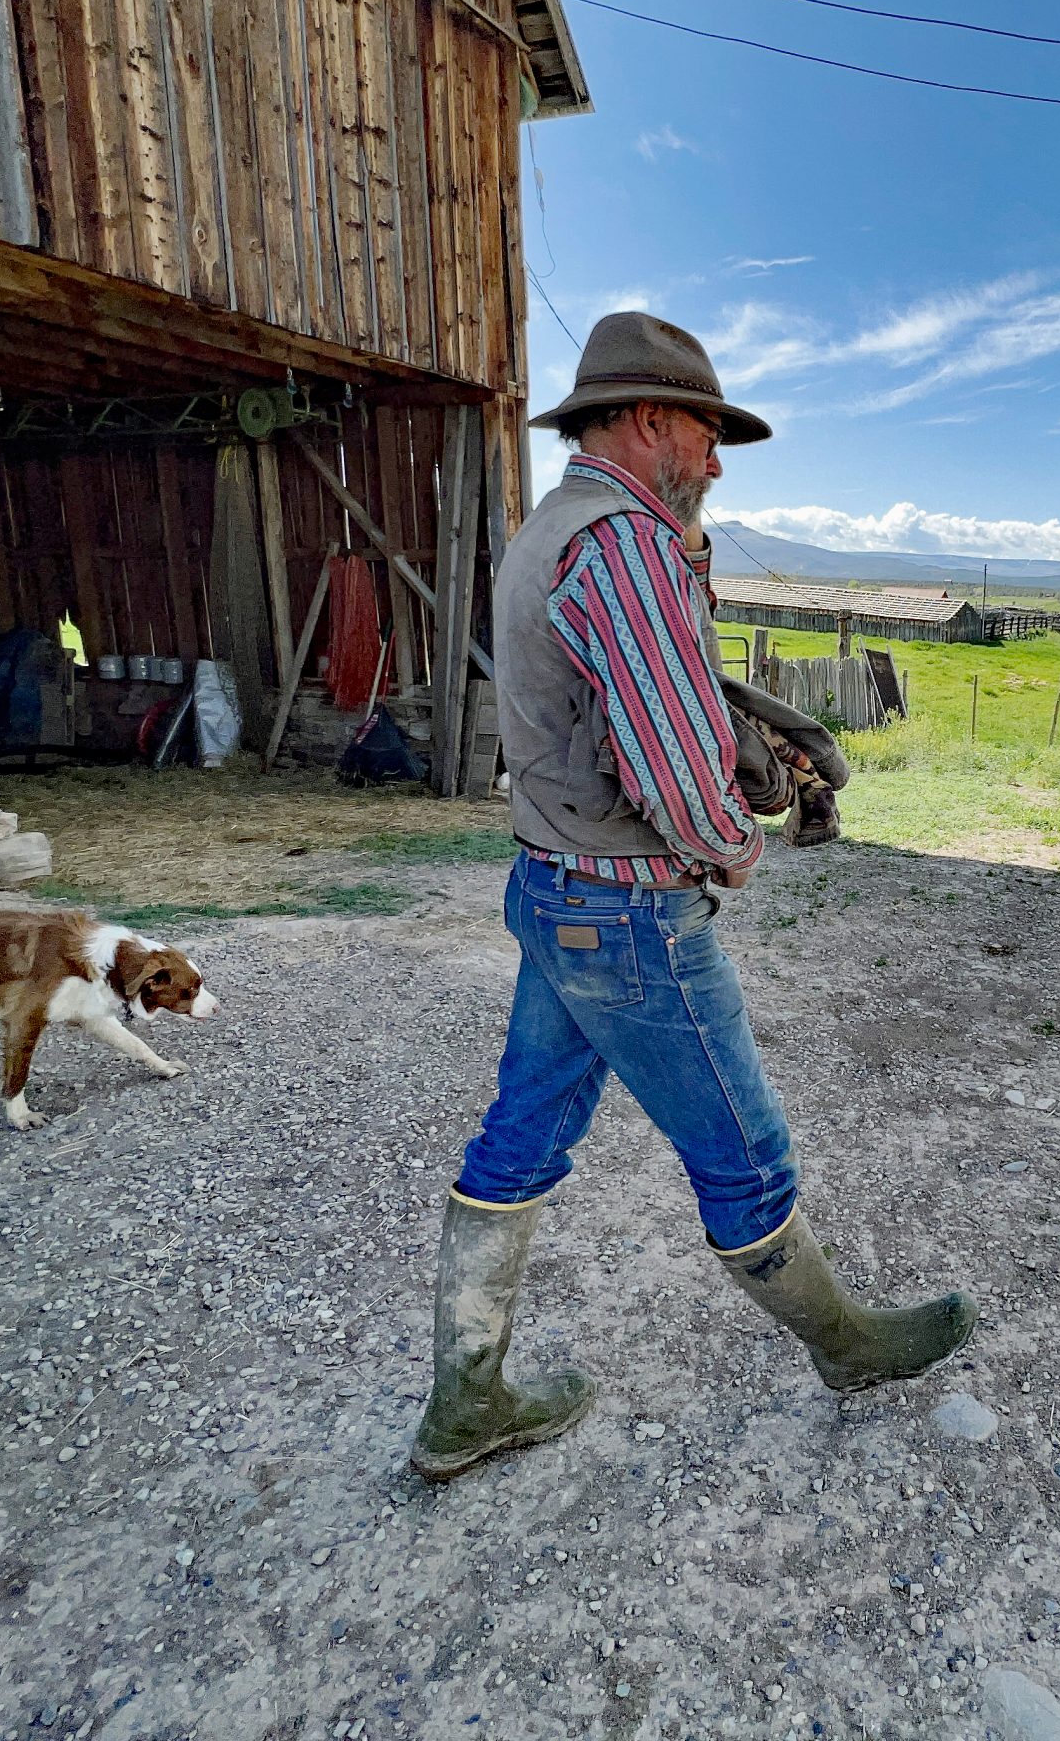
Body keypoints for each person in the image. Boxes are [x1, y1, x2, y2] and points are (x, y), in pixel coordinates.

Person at [408, 312, 977, 1481]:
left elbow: (619, 706)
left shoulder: (550, 531)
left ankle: (466, 1402)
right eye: (709, 435)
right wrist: (732, 846)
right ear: (652, 420)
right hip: (626, 915)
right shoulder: (624, 546)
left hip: (554, 885)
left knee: (518, 1140)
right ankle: (848, 1350)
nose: (717, 462)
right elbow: (673, 767)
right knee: (744, 1154)